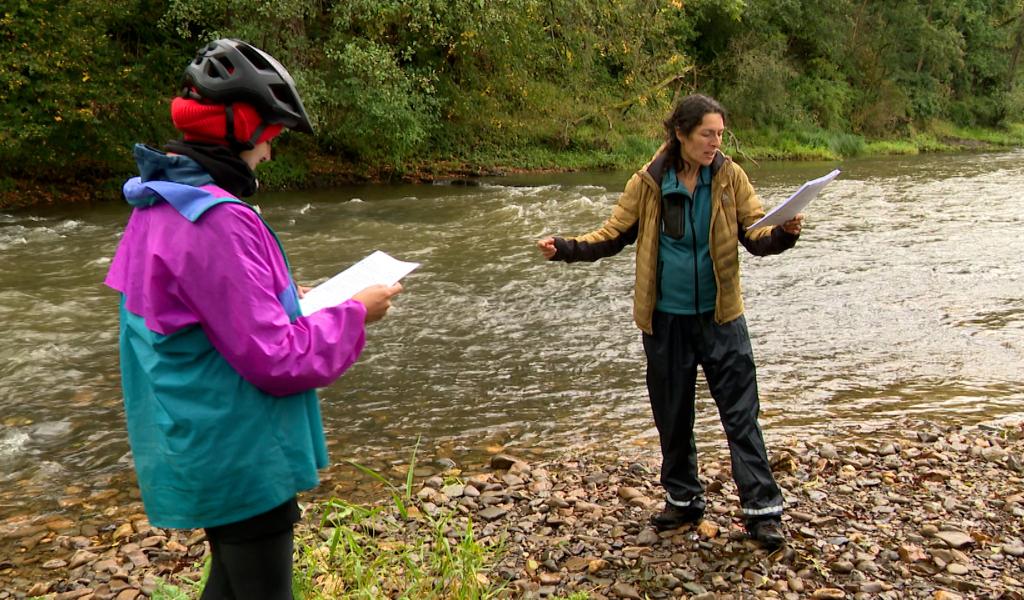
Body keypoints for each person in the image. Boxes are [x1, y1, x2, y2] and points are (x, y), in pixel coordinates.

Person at [104, 39, 402, 599]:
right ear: (242, 129)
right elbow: (276, 357)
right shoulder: (217, 219)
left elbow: (198, 307)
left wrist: (291, 295)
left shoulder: (160, 201)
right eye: (271, 138)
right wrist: (357, 313)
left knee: (232, 586)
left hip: (199, 436)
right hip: (239, 448)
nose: (270, 153)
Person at [536, 94, 802, 548]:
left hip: (722, 319)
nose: (715, 143)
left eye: (720, 134)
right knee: (672, 417)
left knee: (741, 417)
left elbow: (756, 233)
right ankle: (683, 500)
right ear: (681, 134)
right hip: (665, 322)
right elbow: (613, 234)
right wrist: (566, 247)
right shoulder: (649, 181)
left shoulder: (730, 177)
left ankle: (762, 513)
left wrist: (783, 234)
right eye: (707, 134)